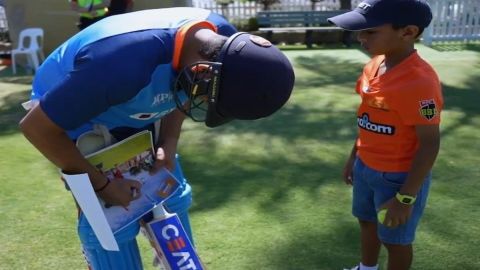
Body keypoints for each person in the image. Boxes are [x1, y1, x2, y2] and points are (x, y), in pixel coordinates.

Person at [19, 7, 294, 270]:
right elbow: (37, 129)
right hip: (79, 114)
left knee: (173, 195)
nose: (198, 101)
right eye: (204, 98)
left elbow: (184, 89)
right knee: (110, 226)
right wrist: (102, 185)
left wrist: (169, 142)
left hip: (132, 98)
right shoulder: (121, 64)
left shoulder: (224, 44)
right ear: (201, 72)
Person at [328, 1, 443, 270]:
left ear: (408, 32)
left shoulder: (421, 83)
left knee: (395, 240)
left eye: (370, 31)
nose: (360, 38)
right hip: (365, 167)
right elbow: (367, 118)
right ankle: (366, 268)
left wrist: (405, 199)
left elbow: (430, 144)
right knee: (366, 221)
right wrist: (354, 158)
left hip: (399, 178)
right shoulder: (374, 65)